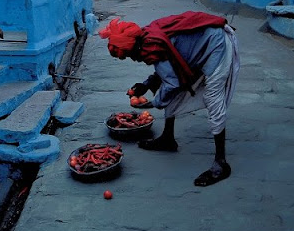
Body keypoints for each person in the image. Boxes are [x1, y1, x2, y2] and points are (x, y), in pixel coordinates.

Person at [99, 11, 240, 187]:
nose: (132, 60)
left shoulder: (153, 45)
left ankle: (220, 163)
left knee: (213, 98)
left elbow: (171, 82)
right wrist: (147, 84)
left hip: (216, 44)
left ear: (133, 47)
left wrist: (155, 103)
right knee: (168, 89)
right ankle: (168, 138)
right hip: (202, 42)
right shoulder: (147, 38)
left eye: (128, 55)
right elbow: (168, 68)